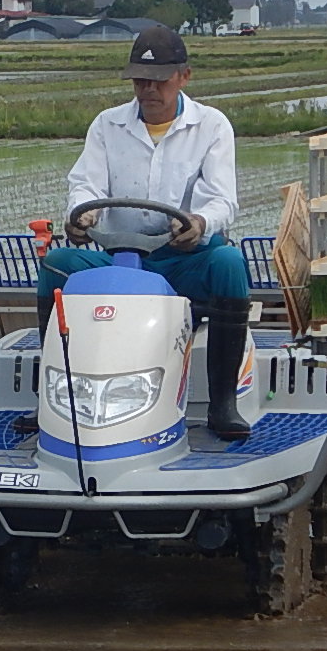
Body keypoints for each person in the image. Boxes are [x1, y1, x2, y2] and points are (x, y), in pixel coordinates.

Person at [36, 25, 252, 441]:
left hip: (180, 261)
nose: (148, 90)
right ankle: (46, 400)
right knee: (59, 265)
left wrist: (198, 223)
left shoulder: (211, 127)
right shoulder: (107, 126)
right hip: (119, 259)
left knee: (228, 262)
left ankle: (224, 402)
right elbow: (86, 185)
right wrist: (82, 217)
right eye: (140, 80)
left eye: (158, 81)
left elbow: (222, 200)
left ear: (184, 77)